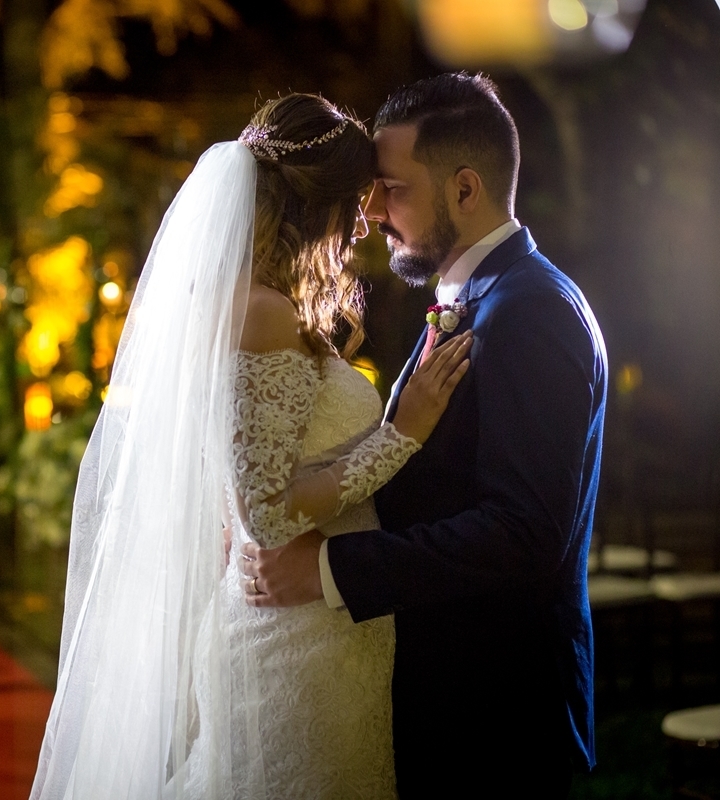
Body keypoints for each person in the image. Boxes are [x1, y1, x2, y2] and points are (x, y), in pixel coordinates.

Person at [30, 92, 469, 800]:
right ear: (317, 202)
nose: (367, 221)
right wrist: (401, 434)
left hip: (317, 632)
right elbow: (265, 511)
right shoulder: (259, 314)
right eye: (359, 200)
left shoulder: (262, 303)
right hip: (295, 646)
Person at [241, 73, 608, 799]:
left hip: (495, 705)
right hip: (442, 686)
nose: (372, 212)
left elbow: (524, 531)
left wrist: (327, 570)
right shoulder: (472, 297)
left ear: (465, 189)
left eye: (393, 188)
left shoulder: (531, 312)